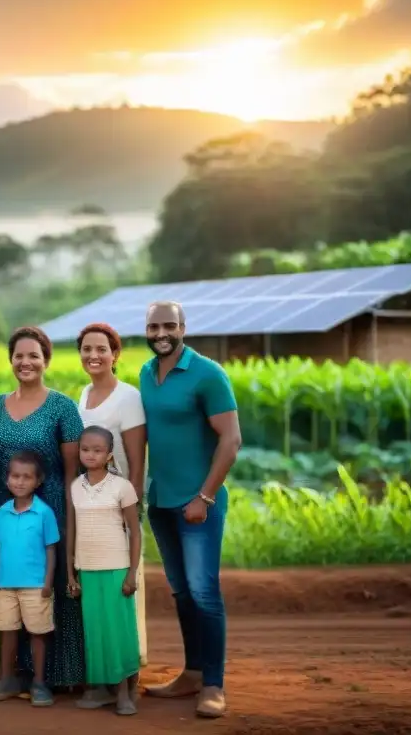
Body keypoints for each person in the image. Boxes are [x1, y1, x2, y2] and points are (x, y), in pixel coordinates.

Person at [139, 301, 241, 719]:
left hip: (198, 503)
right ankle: (193, 673)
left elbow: (231, 440)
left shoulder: (208, 374)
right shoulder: (146, 373)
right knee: (181, 592)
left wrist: (205, 497)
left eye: (169, 325)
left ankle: (214, 685)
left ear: (183, 328)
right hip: (161, 501)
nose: (161, 333)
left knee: (203, 592)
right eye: (153, 326)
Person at [0, 326, 83, 691]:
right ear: (11, 360)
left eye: (33, 356)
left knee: (50, 590)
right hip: (6, 513)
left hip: (51, 510)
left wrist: (70, 523)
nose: (25, 362)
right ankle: (14, 674)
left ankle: (60, 675)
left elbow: (74, 473)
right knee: (12, 587)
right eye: (19, 356)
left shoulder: (62, 406)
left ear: (45, 360)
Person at [75, 322, 149, 681]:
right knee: (97, 599)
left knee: (122, 592)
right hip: (89, 511)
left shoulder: (128, 397)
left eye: (101, 349)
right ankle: (102, 672)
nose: (93, 355)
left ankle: (126, 674)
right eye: (86, 349)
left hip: (118, 509)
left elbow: (136, 461)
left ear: (115, 354)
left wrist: (127, 513)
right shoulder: (82, 395)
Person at [67, 425, 141, 717]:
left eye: (98, 450)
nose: (90, 454)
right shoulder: (75, 487)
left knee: (118, 632)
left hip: (116, 568)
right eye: (85, 449)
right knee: (95, 631)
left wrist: (132, 573)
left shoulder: (121, 487)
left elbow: (134, 532)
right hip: (88, 568)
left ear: (109, 455)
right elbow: (72, 531)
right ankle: (99, 690)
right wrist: (72, 573)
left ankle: (124, 693)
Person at [0, 451, 60, 708]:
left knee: (38, 634)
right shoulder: (2, 512)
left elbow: (51, 549)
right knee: (6, 631)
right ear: (7, 479)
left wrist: (48, 582)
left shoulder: (43, 513)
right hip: (6, 585)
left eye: (27, 477)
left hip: (36, 586)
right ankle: (7, 679)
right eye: (15, 476)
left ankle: (39, 683)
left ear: (38, 481)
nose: (20, 482)